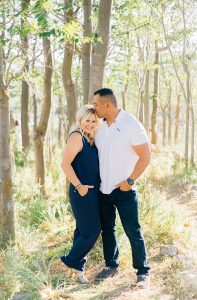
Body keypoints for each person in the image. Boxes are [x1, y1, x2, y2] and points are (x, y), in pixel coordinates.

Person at [93, 88, 151, 288]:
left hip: (124, 190)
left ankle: (143, 271)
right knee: (107, 230)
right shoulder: (99, 126)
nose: (94, 108)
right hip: (103, 189)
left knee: (132, 230)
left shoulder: (131, 125)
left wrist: (130, 181)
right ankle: (111, 265)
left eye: (96, 104)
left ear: (108, 104)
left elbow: (145, 157)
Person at [60, 105, 101, 284]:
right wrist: (79, 186)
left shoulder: (90, 139)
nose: (90, 124)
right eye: (87, 121)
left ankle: (78, 270)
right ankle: (70, 260)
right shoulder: (76, 137)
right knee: (93, 229)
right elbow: (65, 165)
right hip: (81, 192)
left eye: (94, 121)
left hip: (92, 193)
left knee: (82, 230)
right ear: (80, 120)